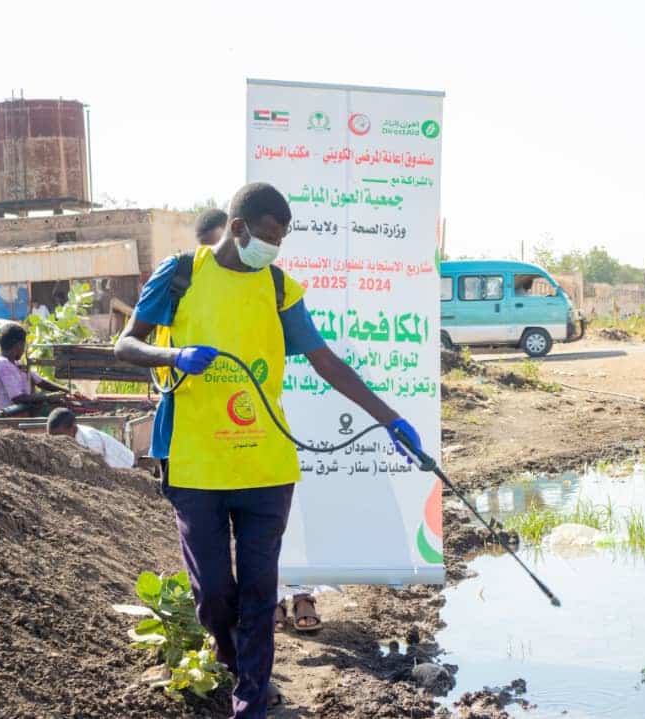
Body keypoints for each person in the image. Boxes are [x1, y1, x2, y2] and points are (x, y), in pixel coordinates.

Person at [115, 182, 423, 719]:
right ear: (238, 229)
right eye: (268, 237)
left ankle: (251, 703)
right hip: (195, 461)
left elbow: (325, 361)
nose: (274, 249)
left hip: (266, 464)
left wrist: (391, 418)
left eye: (281, 240)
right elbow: (125, 343)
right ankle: (239, 667)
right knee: (213, 593)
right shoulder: (182, 274)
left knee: (259, 590)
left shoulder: (280, 288)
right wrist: (174, 352)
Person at [0, 323, 79, 413]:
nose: (24, 349)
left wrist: (67, 391)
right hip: (11, 417)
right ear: (18, 345)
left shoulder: (16, 363)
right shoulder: (4, 366)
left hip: (22, 413)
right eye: (24, 345)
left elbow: (40, 381)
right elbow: (17, 398)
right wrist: (48, 397)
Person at [46, 407, 135, 469]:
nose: (55, 440)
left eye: (59, 436)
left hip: (123, 465)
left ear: (73, 429)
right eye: (51, 436)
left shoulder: (91, 442)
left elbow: (97, 469)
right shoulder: (72, 434)